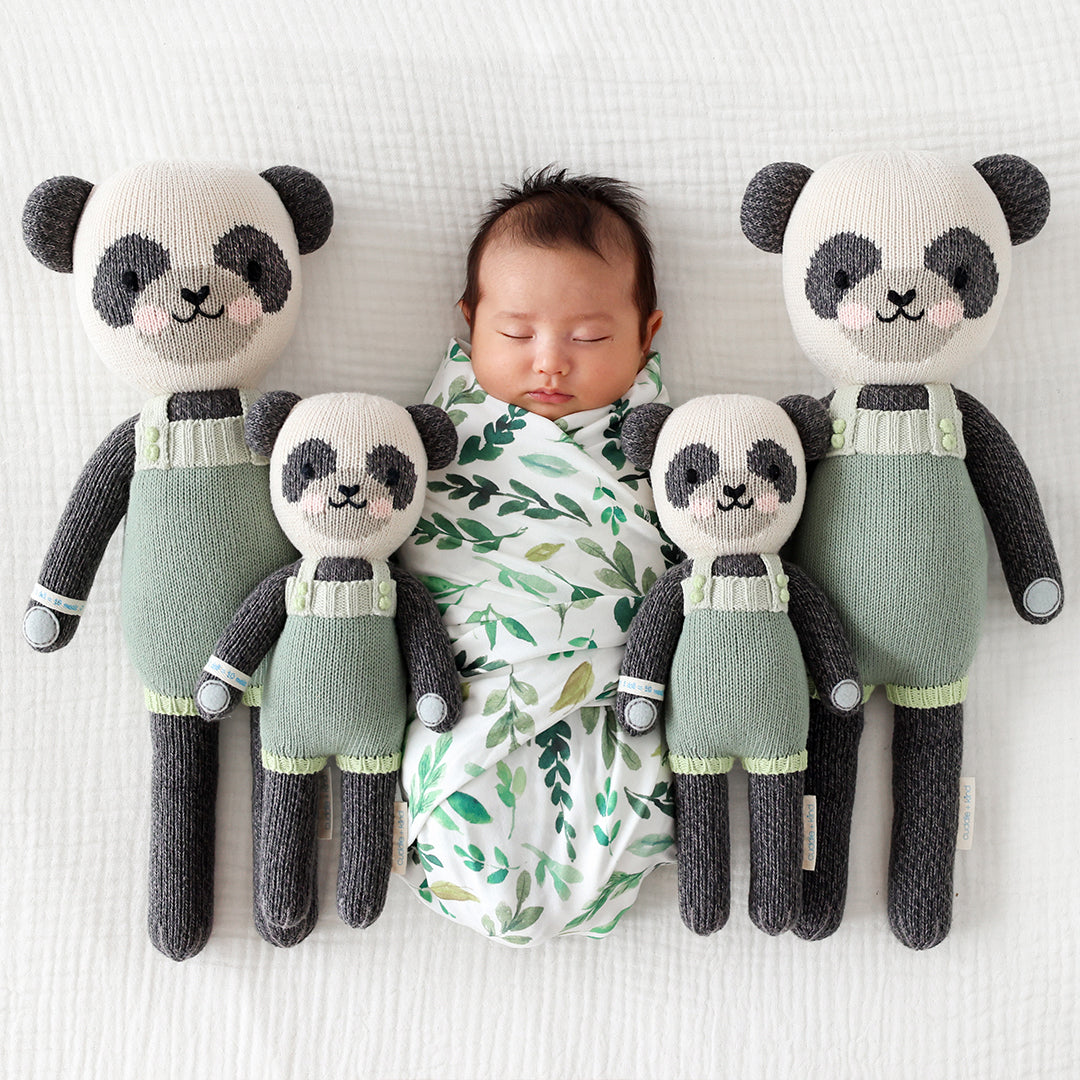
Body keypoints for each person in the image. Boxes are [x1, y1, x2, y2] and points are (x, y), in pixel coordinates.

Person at [398, 167, 677, 944]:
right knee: (458, 780)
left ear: (648, 336)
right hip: (472, 686)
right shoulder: (432, 438)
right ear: (470, 325)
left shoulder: (671, 444)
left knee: (628, 781)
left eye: (589, 337)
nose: (550, 362)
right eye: (516, 334)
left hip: (616, 690)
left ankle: (618, 862)